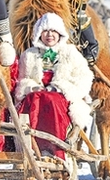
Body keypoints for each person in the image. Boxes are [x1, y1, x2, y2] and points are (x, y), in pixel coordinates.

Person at [14, 12, 93, 161]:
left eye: (53, 31)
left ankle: (54, 148)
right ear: (39, 34)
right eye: (45, 31)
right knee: (34, 99)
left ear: (60, 33)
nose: (49, 35)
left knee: (52, 100)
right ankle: (31, 146)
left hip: (62, 97)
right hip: (37, 96)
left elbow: (84, 78)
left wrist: (60, 88)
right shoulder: (29, 54)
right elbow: (22, 79)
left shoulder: (71, 53)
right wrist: (31, 87)